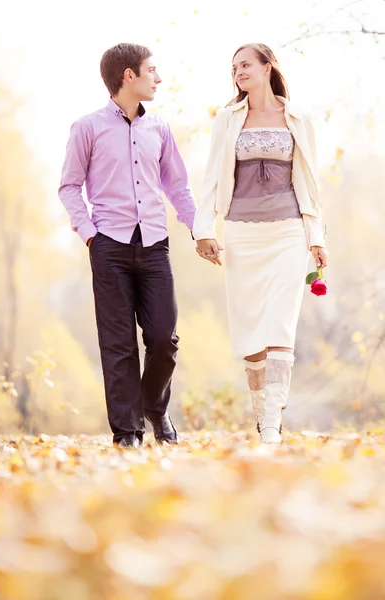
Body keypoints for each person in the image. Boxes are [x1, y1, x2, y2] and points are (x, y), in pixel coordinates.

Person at [59, 43, 196, 448]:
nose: (159, 77)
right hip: (110, 246)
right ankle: (128, 432)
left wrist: (198, 228)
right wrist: (89, 234)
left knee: (163, 338)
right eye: (152, 69)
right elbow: (69, 186)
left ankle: (154, 406)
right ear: (128, 76)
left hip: (155, 244)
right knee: (117, 343)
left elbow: (177, 185)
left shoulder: (160, 128)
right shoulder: (87, 127)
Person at [193, 43, 327, 443]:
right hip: (241, 231)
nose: (238, 72)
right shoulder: (228, 118)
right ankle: (262, 413)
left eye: (246, 64)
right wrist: (204, 229)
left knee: (280, 325)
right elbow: (211, 177)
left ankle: (272, 423)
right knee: (250, 331)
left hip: (288, 230)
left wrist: (317, 236)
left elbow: (311, 183)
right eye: (234, 67)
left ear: (269, 68)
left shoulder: (298, 118)